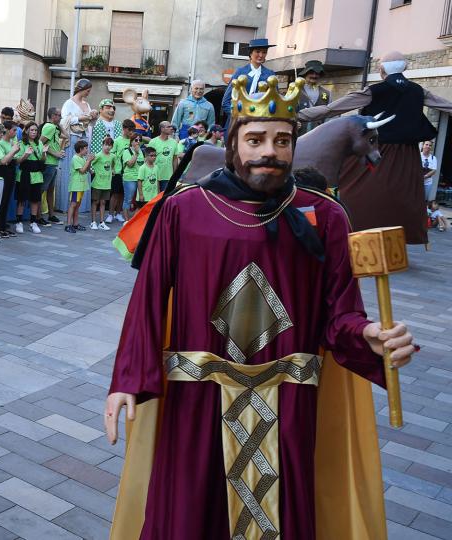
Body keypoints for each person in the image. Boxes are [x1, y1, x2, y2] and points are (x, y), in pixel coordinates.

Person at [106, 75, 414, 540]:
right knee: (191, 511)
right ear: (232, 144)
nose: (269, 151)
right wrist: (127, 379)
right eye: (255, 139)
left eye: (282, 140)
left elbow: (341, 316)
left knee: (282, 513)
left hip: (287, 405)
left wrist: (368, 337)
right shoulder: (184, 210)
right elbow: (148, 299)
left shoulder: (324, 216)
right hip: (197, 401)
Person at [299, 51, 452, 245]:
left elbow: (333, 109)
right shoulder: (418, 91)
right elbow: (446, 105)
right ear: (404, 68)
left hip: (375, 150)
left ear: (381, 70)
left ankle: (350, 234)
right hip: (408, 155)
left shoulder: (375, 90)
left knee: (352, 190)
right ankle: (391, 241)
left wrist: (298, 115)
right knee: (404, 197)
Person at [58, 79, 98, 213]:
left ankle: (81, 204)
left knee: (84, 167)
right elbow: (64, 120)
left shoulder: (86, 103)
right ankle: (67, 204)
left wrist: (93, 116)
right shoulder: (69, 103)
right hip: (73, 138)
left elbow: (90, 123)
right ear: (82, 88)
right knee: (73, 168)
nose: (89, 92)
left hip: (84, 137)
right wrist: (82, 117)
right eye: (88, 90)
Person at [221, 38, 276, 133]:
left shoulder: (270, 75)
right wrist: (238, 116)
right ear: (250, 53)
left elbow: (274, 101)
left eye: (264, 52)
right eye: (257, 52)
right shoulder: (240, 72)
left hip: (260, 125)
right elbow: (226, 102)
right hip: (237, 124)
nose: (261, 55)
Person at [14, 121, 46, 234]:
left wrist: (44, 154)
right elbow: (17, 161)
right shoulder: (21, 143)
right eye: (31, 130)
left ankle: (33, 222)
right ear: (26, 131)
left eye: (36, 130)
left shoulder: (39, 143)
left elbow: (42, 160)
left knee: (35, 199)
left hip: (37, 174)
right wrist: (26, 154)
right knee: (22, 199)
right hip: (24, 174)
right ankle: (19, 221)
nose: (34, 132)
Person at [0, 120, 19, 238]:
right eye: (14, 130)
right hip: (4, 173)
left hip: (12, 172)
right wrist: (14, 151)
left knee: (7, 200)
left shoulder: (11, 142)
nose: (15, 132)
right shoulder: (0, 143)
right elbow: (4, 160)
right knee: (2, 200)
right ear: (8, 131)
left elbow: (15, 158)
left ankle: (3, 225)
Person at [40, 107, 65, 225]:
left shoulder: (54, 127)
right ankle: (38, 216)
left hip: (53, 162)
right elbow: (41, 143)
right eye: (59, 115)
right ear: (53, 116)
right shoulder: (49, 127)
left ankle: (51, 215)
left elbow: (66, 136)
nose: (61, 117)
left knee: (50, 190)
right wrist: (55, 153)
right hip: (48, 162)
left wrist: (59, 124)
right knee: (42, 190)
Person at [107, 120, 133, 224]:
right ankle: (110, 214)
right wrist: (112, 169)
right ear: (124, 129)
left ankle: (118, 213)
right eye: (129, 130)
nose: (131, 132)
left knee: (123, 194)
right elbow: (112, 156)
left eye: (133, 130)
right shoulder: (117, 141)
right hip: (117, 171)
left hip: (128, 172)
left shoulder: (133, 140)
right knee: (115, 194)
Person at [295, 60, 332, 135]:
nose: (314, 76)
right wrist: (293, 123)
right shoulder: (296, 91)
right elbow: (287, 112)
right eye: (311, 73)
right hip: (298, 134)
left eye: (317, 73)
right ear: (305, 74)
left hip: (318, 135)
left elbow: (330, 114)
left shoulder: (326, 93)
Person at [66, 140, 93, 233]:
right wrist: (88, 160)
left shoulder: (83, 158)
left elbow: (87, 168)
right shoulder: (75, 158)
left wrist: (89, 162)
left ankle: (75, 224)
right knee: (73, 205)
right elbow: (81, 170)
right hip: (76, 186)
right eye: (85, 148)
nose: (87, 150)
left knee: (77, 206)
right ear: (80, 149)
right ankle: (68, 224)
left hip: (81, 186)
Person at [118, 127, 144, 221]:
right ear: (131, 141)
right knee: (128, 199)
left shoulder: (142, 151)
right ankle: (126, 218)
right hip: (130, 178)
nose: (138, 142)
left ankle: (136, 218)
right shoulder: (126, 151)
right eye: (136, 140)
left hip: (140, 178)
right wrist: (136, 154)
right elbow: (129, 164)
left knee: (139, 199)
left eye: (140, 140)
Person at [89, 136, 114, 230]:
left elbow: (113, 164)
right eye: (106, 145)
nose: (108, 147)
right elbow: (89, 162)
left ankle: (102, 222)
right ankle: (93, 222)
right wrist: (90, 171)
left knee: (103, 202)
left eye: (110, 145)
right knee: (96, 202)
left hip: (107, 184)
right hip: (97, 183)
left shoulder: (112, 156)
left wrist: (113, 170)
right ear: (102, 145)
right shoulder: (98, 155)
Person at [147, 121, 178, 191]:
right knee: (154, 199)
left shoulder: (174, 142)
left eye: (171, 126)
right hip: (154, 176)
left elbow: (175, 159)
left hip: (168, 176)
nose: (171, 128)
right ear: (162, 129)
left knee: (164, 199)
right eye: (168, 127)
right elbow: (147, 159)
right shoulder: (153, 142)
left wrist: (174, 174)